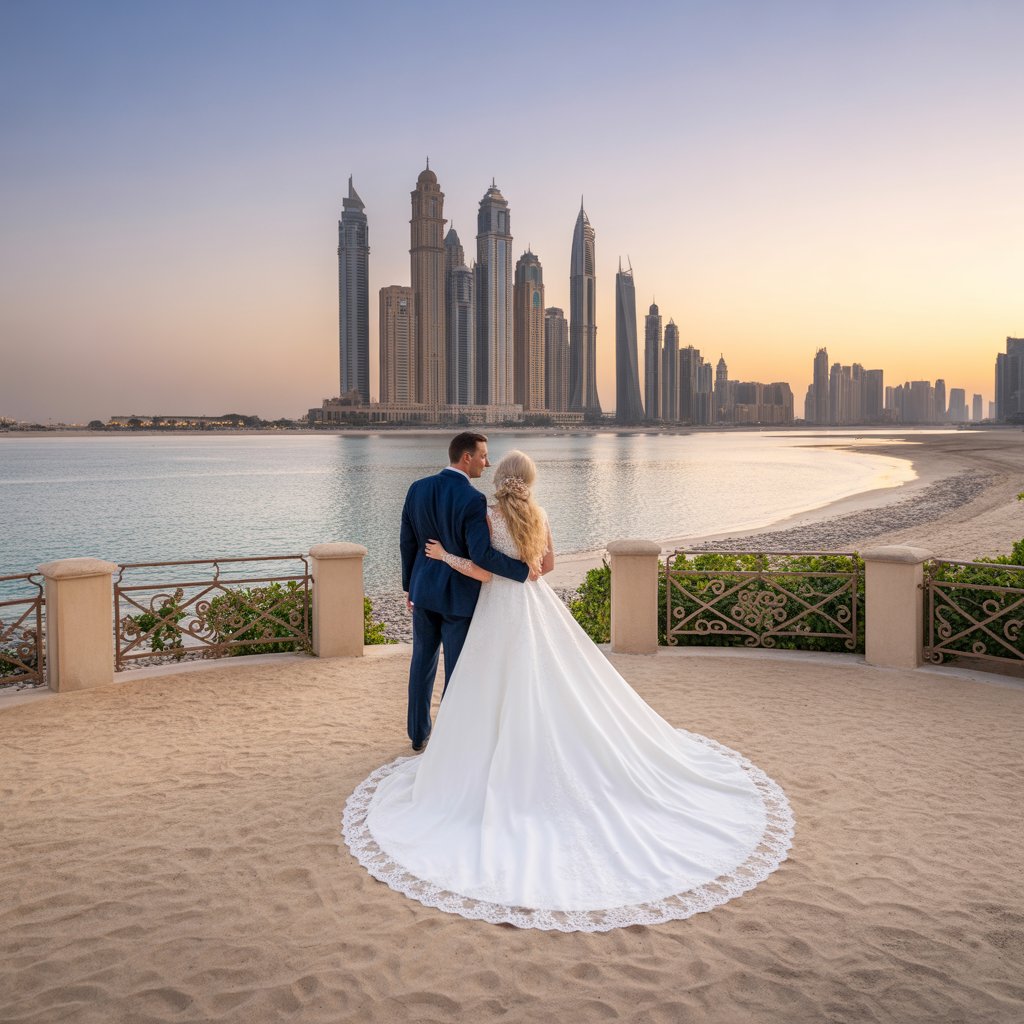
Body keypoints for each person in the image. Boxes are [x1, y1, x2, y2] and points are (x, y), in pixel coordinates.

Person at [346, 450, 794, 932]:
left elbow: (481, 567)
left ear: (499, 479)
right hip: (536, 605)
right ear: (530, 481)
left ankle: (463, 745)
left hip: (499, 608)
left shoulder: (487, 513)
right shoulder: (539, 514)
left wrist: (444, 556)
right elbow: (549, 564)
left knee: (489, 681)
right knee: (550, 677)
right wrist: (530, 571)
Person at [399, 432, 533, 752]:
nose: (487, 463)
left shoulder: (417, 489)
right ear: (466, 458)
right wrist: (523, 571)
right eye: (483, 456)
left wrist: (409, 586)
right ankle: (448, 737)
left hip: (423, 591)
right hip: (458, 597)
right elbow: (482, 556)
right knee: (457, 669)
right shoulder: (472, 500)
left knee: (422, 661)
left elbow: (407, 543)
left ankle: (418, 734)